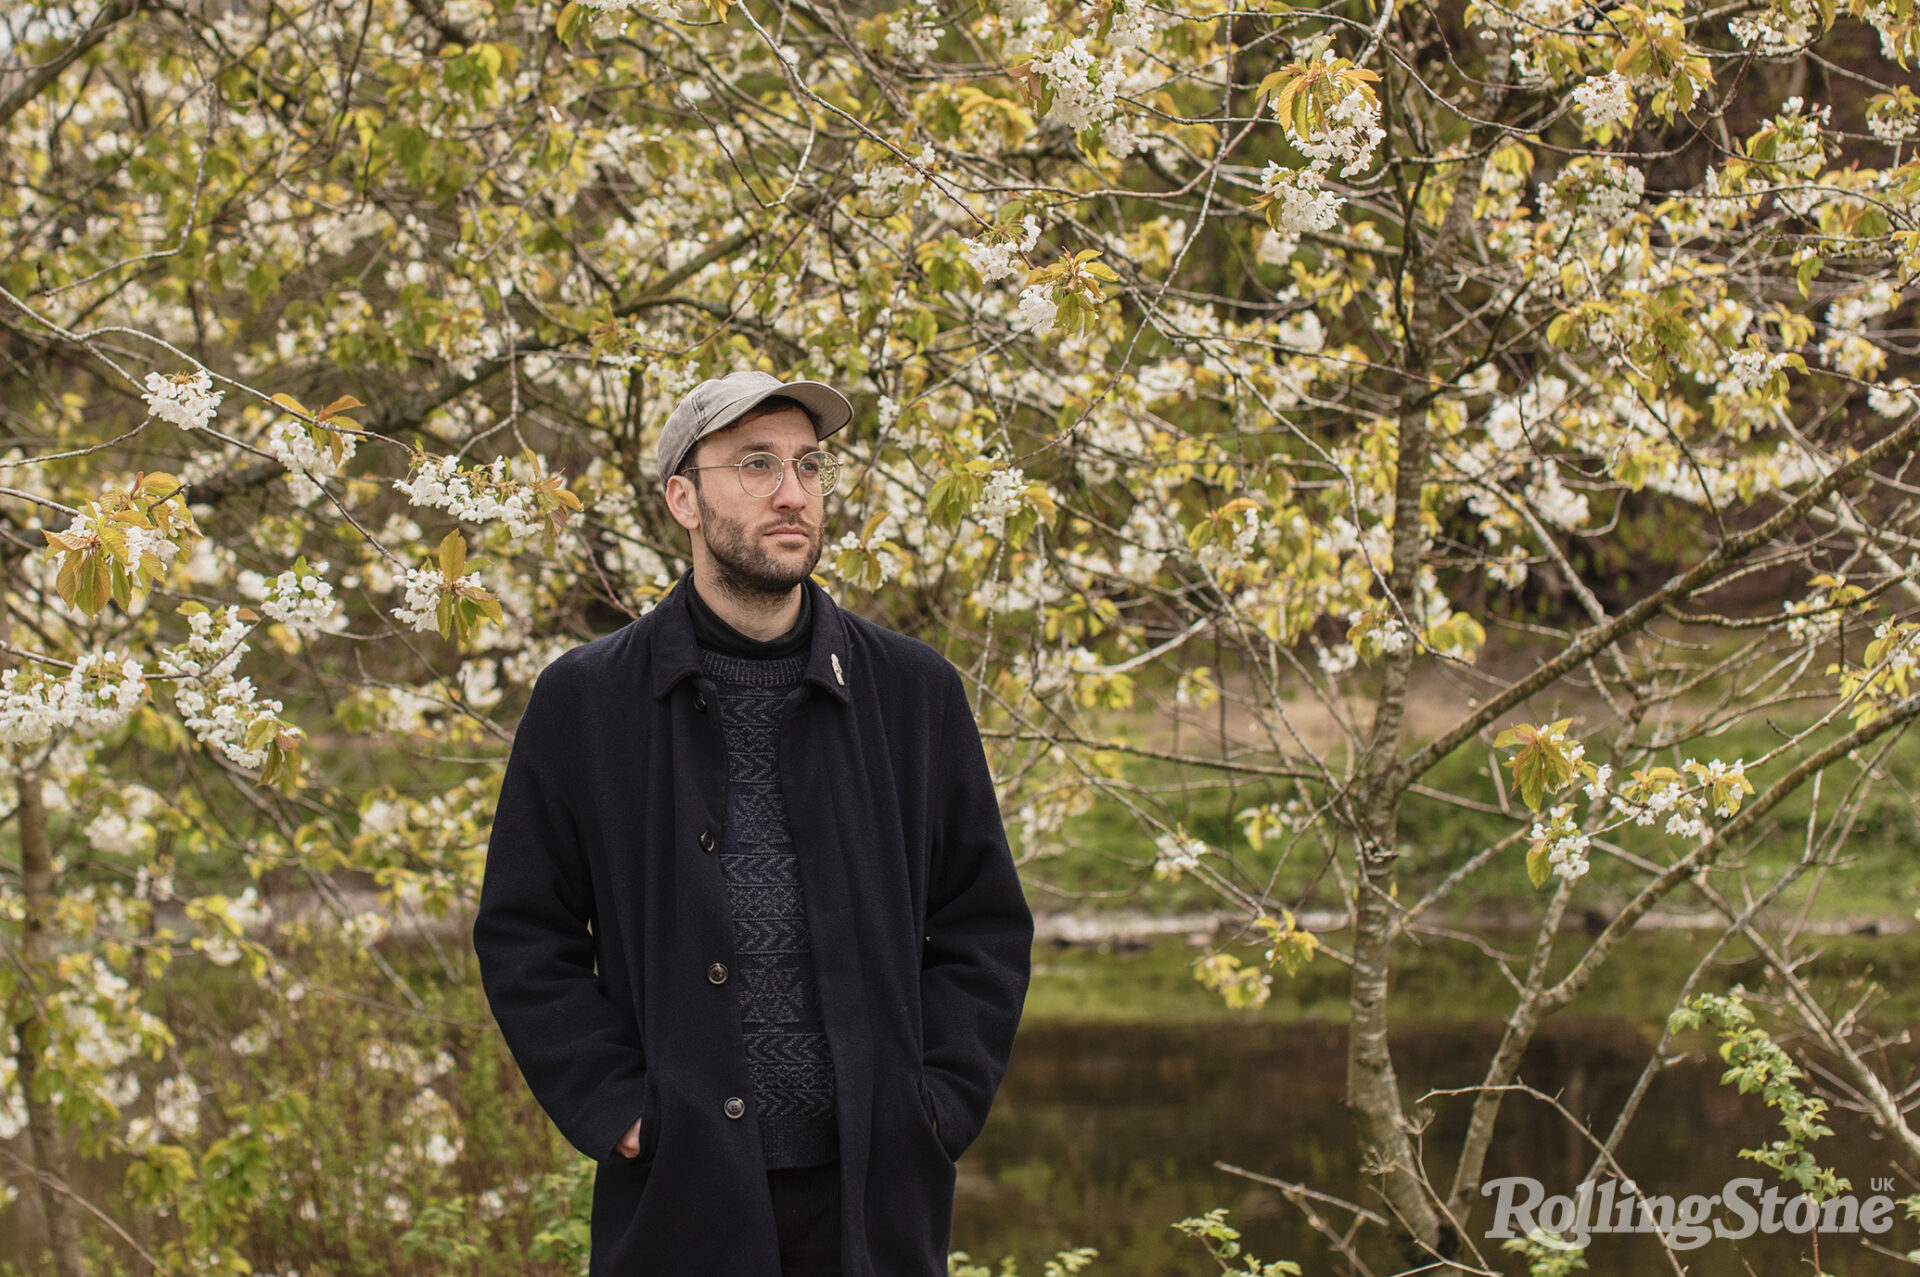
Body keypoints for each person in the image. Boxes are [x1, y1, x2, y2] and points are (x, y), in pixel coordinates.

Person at [472, 370, 1033, 1277]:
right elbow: (523, 934)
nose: (793, 493)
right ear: (683, 497)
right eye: (758, 464)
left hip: (874, 1194)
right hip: (680, 1194)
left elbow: (983, 926)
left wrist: (935, 1104)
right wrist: (618, 1109)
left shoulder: (912, 692)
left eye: (810, 466)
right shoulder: (587, 702)